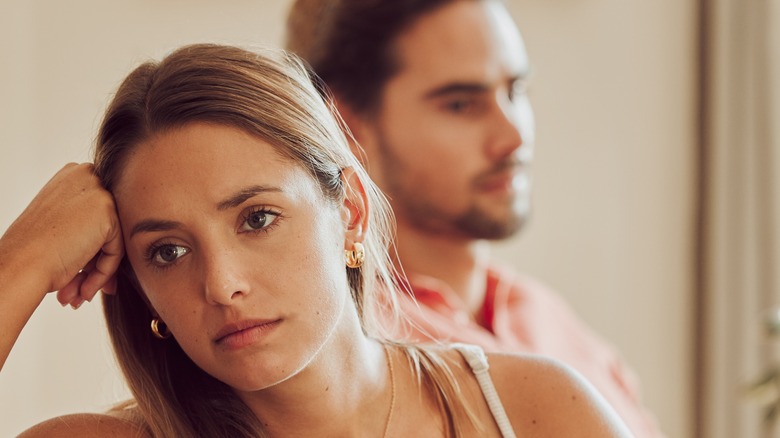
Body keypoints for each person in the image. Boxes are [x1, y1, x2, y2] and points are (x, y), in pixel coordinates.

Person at [0, 44, 631, 437]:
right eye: (167, 251)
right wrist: (21, 262)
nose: (222, 285)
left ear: (350, 211)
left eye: (257, 218)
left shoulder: (538, 412)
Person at [285, 0, 664, 436]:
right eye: (461, 105)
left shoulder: (551, 320)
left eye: (515, 91)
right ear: (345, 125)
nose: (514, 136)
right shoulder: (351, 356)